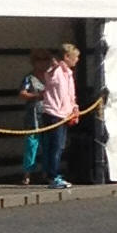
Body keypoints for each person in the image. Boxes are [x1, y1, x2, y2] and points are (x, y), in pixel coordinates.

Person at [38, 43, 80, 188]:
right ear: (67, 57)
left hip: (64, 114)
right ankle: (52, 175)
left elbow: (70, 94)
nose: (77, 60)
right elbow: (49, 73)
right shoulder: (55, 71)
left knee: (60, 146)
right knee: (54, 146)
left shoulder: (68, 73)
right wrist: (55, 65)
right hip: (53, 113)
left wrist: (74, 108)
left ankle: (53, 173)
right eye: (75, 57)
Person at [17, 48, 52, 183]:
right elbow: (22, 93)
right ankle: (27, 174)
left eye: (45, 60)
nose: (43, 63)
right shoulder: (29, 78)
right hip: (33, 115)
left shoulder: (51, 77)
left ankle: (46, 172)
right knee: (32, 144)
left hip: (49, 113)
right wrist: (37, 95)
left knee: (48, 144)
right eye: (39, 60)